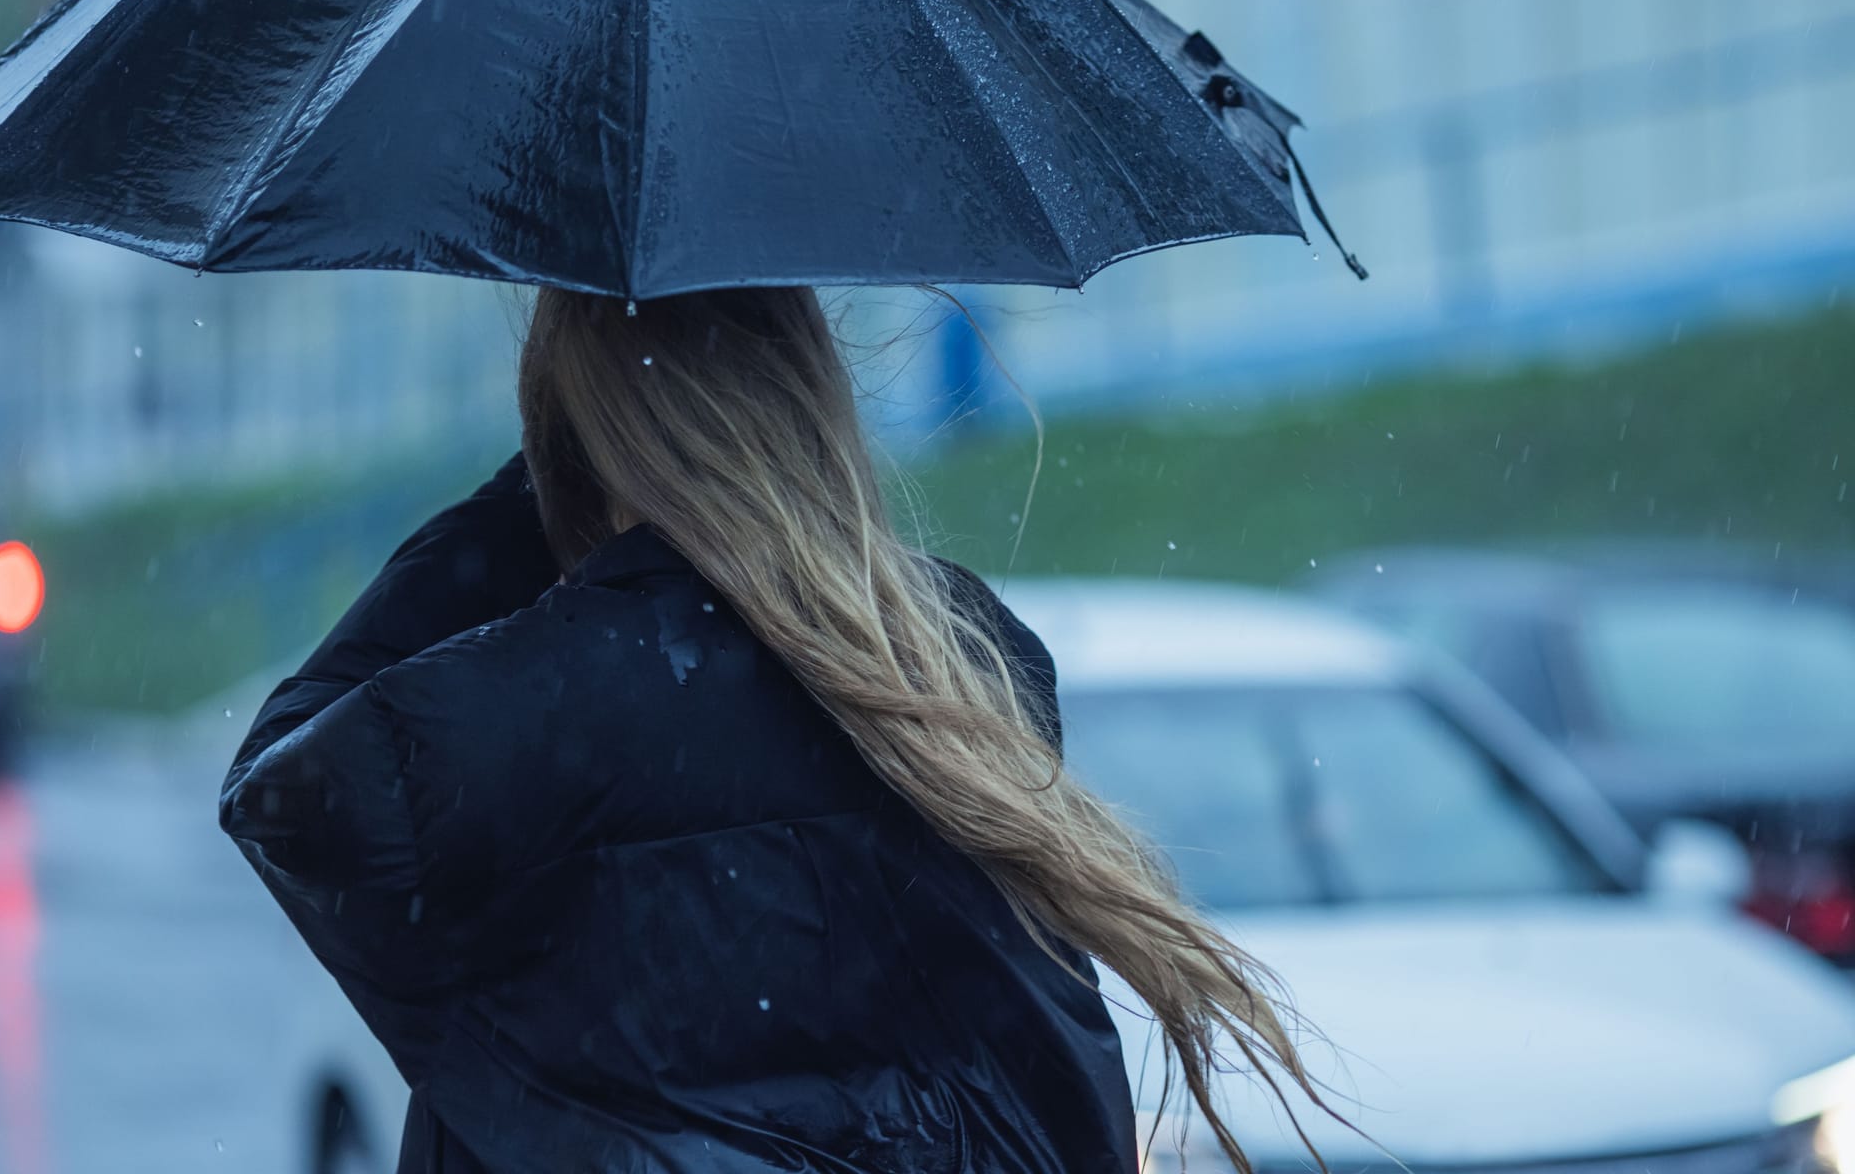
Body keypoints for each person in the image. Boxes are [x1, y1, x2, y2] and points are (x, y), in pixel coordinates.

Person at [220, 287, 1319, 1173]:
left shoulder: (506, 715)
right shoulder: (967, 653)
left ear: (584, 425)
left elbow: (281, 790)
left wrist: (546, 468)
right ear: (812, 391)